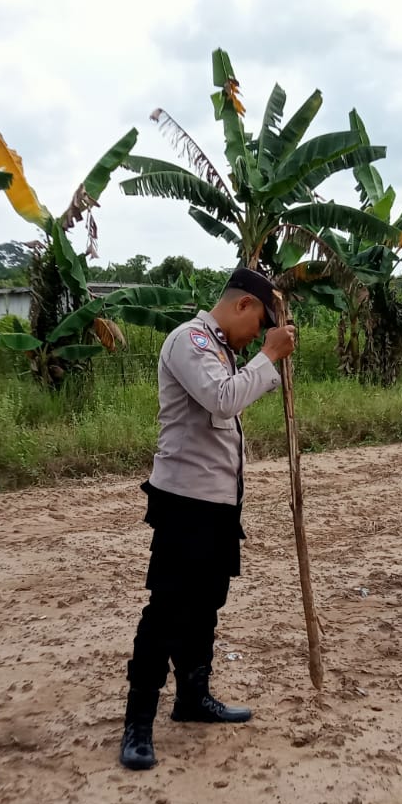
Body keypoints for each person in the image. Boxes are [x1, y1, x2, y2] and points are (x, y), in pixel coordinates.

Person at [120, 267, 297, 771]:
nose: (257, 334)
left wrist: (265, 362)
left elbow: (233, 397)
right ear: (243, 305)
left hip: (219, 503)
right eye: (259, 321)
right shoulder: (190, 340)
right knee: (169, 608)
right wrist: (269, 356)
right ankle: (139, 720)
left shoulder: (223, 349)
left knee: (205, 605)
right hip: (184, 501)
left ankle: (193, 697)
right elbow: (222, 399)